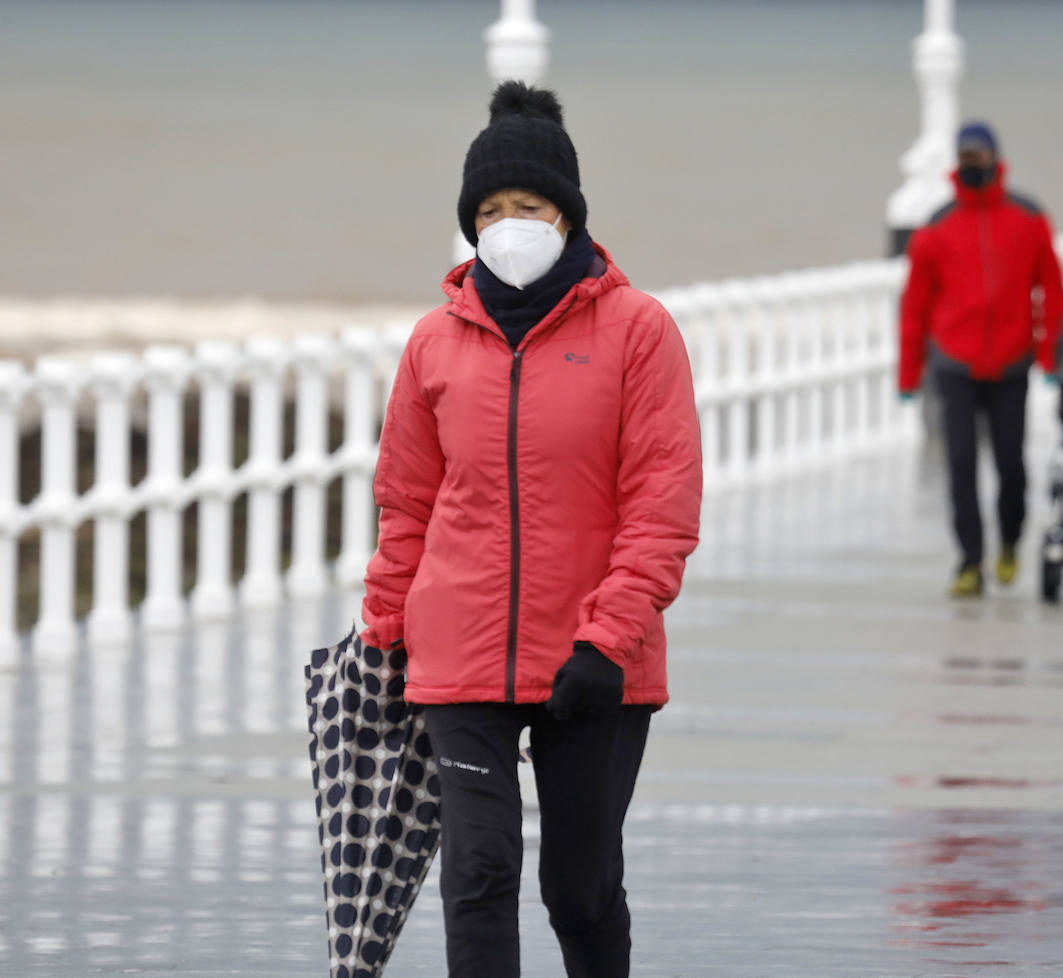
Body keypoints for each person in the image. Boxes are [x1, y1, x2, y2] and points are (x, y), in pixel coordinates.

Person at [360, 81, 703, 978]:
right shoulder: (434, 342)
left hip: (593, 658)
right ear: (471, 224)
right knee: (476, 874)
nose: (509, 225)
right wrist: (383, 628)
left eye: (530, 207)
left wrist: (608, 637)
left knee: (578, 887)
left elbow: (662, 505)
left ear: (569, 215)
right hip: (459, 653)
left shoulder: (638, 332)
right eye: (491, 210)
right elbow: (407, 502)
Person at [898, 121, 1063, 598]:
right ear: (957, 163)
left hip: (1012, 363)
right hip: (954, 364)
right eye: (966, 158)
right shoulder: (936, 226)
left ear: (996, 159)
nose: (974, 165)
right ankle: (970, 561)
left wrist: (1050, 352)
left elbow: (1051, 289)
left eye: (980, 157)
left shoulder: (1029, 218)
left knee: (1011, 465)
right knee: (962, 465)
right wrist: (909, 374)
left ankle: (1010, 540)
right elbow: (915, 306)